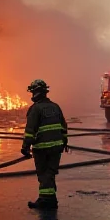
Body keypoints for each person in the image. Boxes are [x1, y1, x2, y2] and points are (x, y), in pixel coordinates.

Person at [21, 79, 68, 210]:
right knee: (51, 172)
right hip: (57, 147)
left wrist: (25, 147)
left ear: (37, 92)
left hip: (42, 148)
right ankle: (51, 200)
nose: (32, 95)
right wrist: (64, 142)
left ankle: (45, 201)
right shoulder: (55, 106)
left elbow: (30, 131)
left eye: (33, 92)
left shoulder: (35, 109)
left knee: (44, 174)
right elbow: (64, 127)